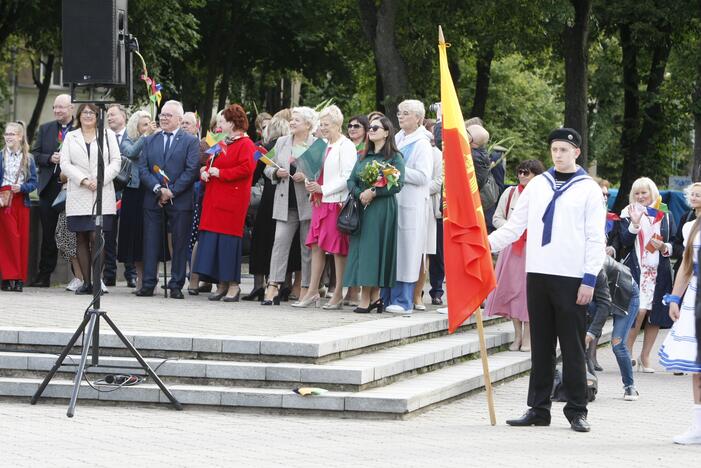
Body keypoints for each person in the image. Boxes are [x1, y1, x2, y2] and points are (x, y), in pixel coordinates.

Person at [489, 128, 605, 433]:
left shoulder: (588, 189)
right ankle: (538, 408)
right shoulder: (538, 185)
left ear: (576, 152)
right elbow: (515, 226)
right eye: (554, 149)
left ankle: (577, 409)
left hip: (571, 275)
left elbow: (595, 237)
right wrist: (482, 245)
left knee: (572, 346)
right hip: (538, 272)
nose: (558, 154)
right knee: (540, 345)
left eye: (565, 150)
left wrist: (589, 278)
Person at [293, 105, 356, 308]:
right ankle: (312, 291)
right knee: (316, 246)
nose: (323, 128)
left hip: (335, 202)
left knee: (337, 249)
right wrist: (311, 186)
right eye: (321, 124)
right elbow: (312, 170)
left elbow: (347, 176)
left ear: (338, 125)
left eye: (326, 124)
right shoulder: (322, 144)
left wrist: (323, 188)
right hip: (319, 201)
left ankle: (338, 293)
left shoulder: (346, 146)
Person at [136, 100, 200, 299]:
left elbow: (191, 170)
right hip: (153, 198)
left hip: (179, 200)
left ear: (180, 119)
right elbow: (143, 168)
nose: (163, 118)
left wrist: (171, 191)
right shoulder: (149, 140)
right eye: (162, 114)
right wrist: (157, 189)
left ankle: (176, 284)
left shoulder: (190, 141)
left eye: (168, 115)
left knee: (180, 243)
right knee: (151, 241)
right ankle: (148, 284)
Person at [193, 103, 256, 302]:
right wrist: (205, 171)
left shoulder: (246, 144)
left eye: (225, 121)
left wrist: (221, 173)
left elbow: (247, 169)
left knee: (228, 242)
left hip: (232, 201)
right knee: (213, 241)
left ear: (234, 123)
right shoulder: (222, 142)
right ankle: (221, 283)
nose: (221, 124)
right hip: (215, 197)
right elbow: (209, 161)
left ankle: (234, 285)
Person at [344, 116, 405, 313]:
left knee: (376, 251)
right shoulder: (363, 155)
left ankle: (370, 297)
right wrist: (360, 193)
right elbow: (351, 180)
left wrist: (374, 192)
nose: (371, 130)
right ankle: (373, 298)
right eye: (370, 127)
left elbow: (398, 183)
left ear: (387, 132)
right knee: (362, 251)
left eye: (376, 127)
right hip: (362, 207)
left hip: (382, 209)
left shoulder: (395, 157)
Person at [59, 103, 122, 295]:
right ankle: (86, 282)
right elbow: (65, 163)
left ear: (97, 115)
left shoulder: (107, 135)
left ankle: (96, 281)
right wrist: (83, 180)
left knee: (97, 236)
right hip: (79, 192)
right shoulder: (71, 136)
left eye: (92, 112)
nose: (88, 115)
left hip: (102, 191)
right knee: (81, 237)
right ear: (79, 115)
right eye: (84, 112)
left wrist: (100, 179)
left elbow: (116, 162)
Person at [485, 159, 546, 351]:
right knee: (511, 291)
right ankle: (517, 336)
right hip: (511, 247)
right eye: (520, 172)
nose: (521, 176)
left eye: (526, 173)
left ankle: (529, 338)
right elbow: (496, 218)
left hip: (533, 249)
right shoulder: (510, 192)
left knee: (528, 293)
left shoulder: (543, 194)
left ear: (536, 175)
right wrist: (513, 228)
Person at [261, 107, 317, 305]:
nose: (292, 122)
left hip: (308, 204)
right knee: (279, 244)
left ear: (308, 124)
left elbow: (324, 172)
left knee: (307, 248)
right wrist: (276, 173)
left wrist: (308, 177)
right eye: (292, 119)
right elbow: (267, 166)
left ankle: (306, 289)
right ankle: (273, 286)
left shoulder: (317, 144)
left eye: (297, 120)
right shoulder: (282, 142)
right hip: (284, 203)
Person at [382, 99, 432, 314]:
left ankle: (404, 300)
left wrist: (395, 171)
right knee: (393, 249)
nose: (400, 116)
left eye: (406, 113)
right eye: (399, 112)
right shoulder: (398, 138)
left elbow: (423, 176)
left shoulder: (422, 143)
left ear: (418, 118)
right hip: (394, 201)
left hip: (411, 203)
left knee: (408, 251)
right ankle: (386, 296)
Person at [619, 177, 674, 372]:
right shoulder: (628, 212)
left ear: (652, 193)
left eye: (645, 192)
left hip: (658, 271)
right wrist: (634, 224)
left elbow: (674, 240)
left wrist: (665, 247)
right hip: (637, 270)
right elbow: (624, 240)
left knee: (655, 314)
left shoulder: (664, 212)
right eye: (637, 193)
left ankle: (645, 356)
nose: (641, 196)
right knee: (638, 311)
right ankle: (627, 352)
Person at [659, 215, 701, 444]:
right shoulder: (692, 226)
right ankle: (698, 427)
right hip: (696, 298)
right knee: (698, 368)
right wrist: (675, 297)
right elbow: (687, 264)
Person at [243, 116, 291, 301]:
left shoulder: (264, 149)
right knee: (281, 243)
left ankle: (258, 285)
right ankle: (282, 284)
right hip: (285, 200)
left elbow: (254, 174)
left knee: (261, 242)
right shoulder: (290, 148)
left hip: (268, 200)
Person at [29, 94, 74, 287]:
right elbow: (34, 154)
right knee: (48, 234)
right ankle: (44, 275)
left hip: (73, 188)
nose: (57, 111)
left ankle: (79, 277)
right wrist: (49, 159)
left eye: (61, 107)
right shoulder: (46, 128)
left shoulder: (80, 129)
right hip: (49, 188)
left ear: (71, 108)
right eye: (55, 107)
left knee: (74, 233)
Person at [586, 256, 641, 401]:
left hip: (627, 296)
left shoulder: (596, 265)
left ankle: (630, 387)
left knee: (618, 343)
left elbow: (604, 305)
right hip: (604, 293)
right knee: (583, 336)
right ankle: (588, 385)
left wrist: (591, 333)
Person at [118, 110, 157, 291]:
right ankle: (139, 279)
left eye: (150, 124)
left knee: (149, 236)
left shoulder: (155, 140)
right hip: (133, 192)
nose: (148, 127)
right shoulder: (128, 140)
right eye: (144, 125)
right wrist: (146, 136)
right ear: (136, 127)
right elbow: (131, 153)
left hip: (150, 190)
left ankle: (150, 279)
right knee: (135, 237)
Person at [0, 122, 38, 292]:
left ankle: (20, 279)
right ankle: (8, 278)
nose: (8, 137)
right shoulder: (1, 156)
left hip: (21, 201)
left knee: (22, 239)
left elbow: (33, 182)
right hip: (4, 202)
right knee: (9, 240)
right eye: (6, 134)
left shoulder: (28, 158)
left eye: (12, 134)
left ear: (20, 137)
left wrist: (22, 188)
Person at [103, 104, 137, 287]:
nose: (110, 118)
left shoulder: (131, 136)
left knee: (128, 232)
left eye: (113, 115)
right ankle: (109, 273)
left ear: (123, 116)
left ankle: (130, 272)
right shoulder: (104, 137)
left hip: (129, 191)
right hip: (109, 190)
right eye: (108, 115)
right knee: (108, 233)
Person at [672, 182, 701, 276]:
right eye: (692, 194)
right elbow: (676, 244)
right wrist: (684, 253)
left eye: (698, 195)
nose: (693, 198)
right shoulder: (686, 217)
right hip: (684, 269)